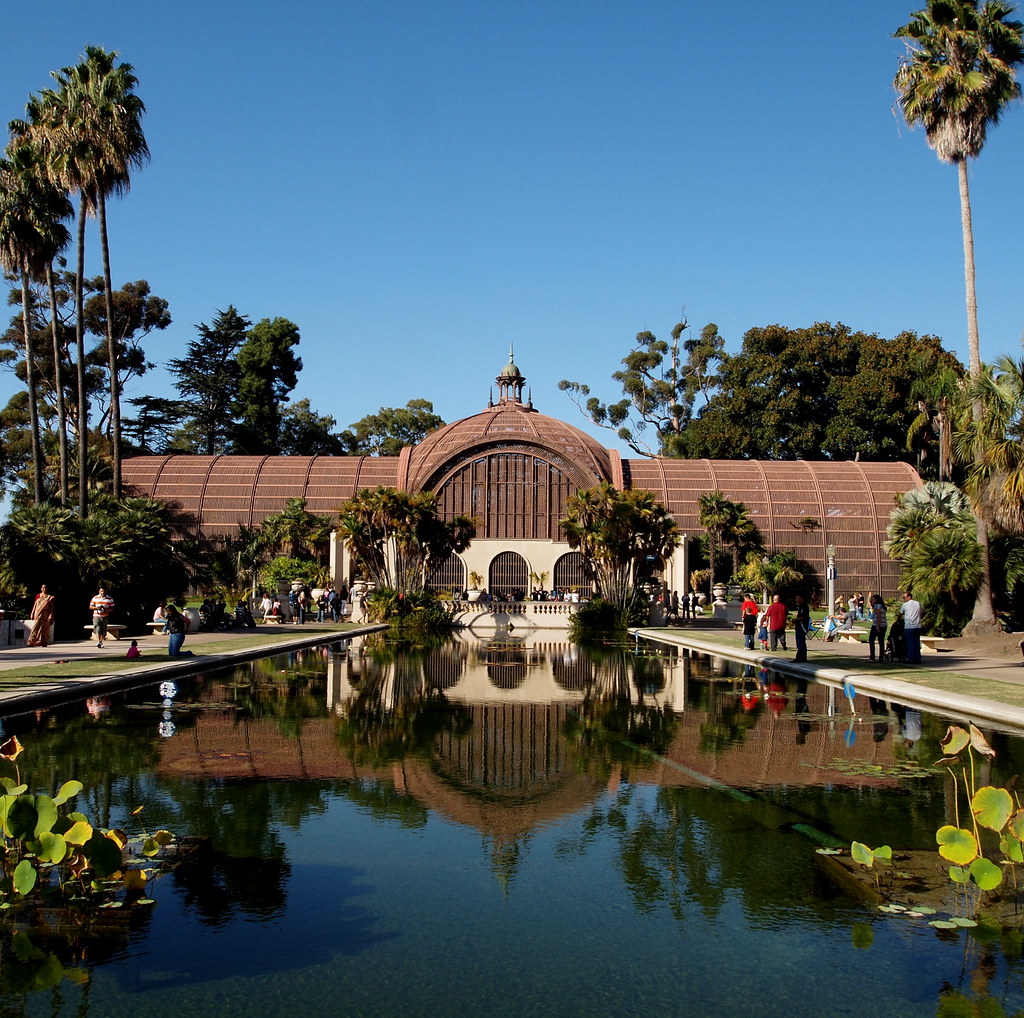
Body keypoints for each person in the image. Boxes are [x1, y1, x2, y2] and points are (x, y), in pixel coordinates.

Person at [900, 590, 922, 664]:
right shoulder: (917, 603)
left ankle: (910, 658)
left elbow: (901, 613)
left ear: (909, 597)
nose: (904, 599)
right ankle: (917, 658)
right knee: (916, 643)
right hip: (917, 625)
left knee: (910, 643)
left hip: (909, 626)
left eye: (904, 597)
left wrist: (898, 619)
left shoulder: (905, 605)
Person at [868, 593, 887, 662]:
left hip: (877, 625)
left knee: (871, 640)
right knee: (881, 642)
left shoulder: (877, 606)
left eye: (873, 599)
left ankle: (872, 657)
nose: (872, 601)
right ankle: (881, 658)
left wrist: (878, 626)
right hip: (884, 625)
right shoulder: (882, 606)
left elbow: (878, 616)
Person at [792, 593, 810, 662]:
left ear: (801, 599)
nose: (796, 600)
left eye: (797, 598)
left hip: (802, 627)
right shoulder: (800, 607)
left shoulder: (804, 607)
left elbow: (804, 617)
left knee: (801, 643)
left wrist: (796, 619)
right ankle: (802, 657)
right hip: (798, 627)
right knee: (800, 642)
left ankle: (800, 658)